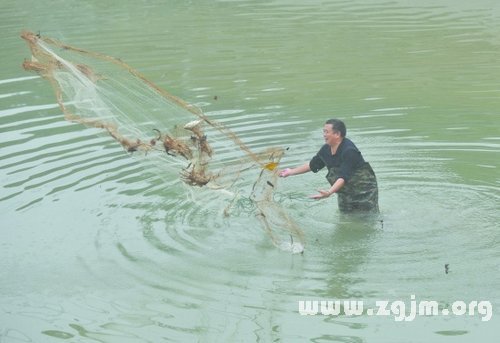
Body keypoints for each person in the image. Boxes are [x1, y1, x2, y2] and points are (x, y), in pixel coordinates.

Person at [279, 119, 379, 213]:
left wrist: (329, 192)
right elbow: (312, 165)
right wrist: (290, 172)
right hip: (345, 192)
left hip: (364, 191)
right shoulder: (326, 149)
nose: (324, 135)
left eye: (327, 132)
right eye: (324, 132)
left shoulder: (349, 151)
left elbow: (343, 177)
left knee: (367, 218)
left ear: (337, 134)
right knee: (346, 216)